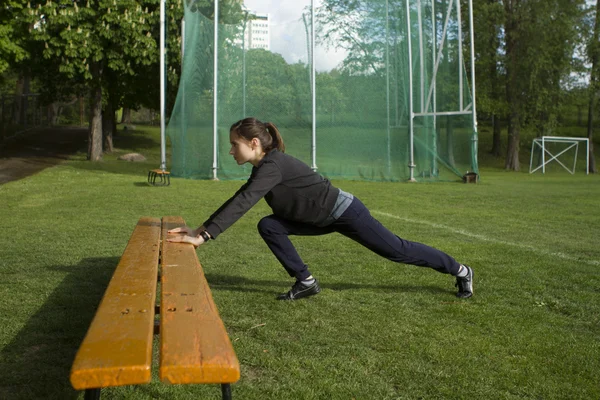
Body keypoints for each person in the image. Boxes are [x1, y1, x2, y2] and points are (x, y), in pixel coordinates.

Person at [167, 117, 474, 300]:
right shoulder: (266, 167)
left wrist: (203, 238)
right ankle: (306, 282)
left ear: (254, 143)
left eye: (235, 143)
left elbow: (245, 201)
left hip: (345, 212)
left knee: (398, 250)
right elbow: (243, 195)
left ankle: (460, 270)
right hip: (318, 219)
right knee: (269, 225)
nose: (231, 149)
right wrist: (201, 229)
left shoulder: (272, 165)